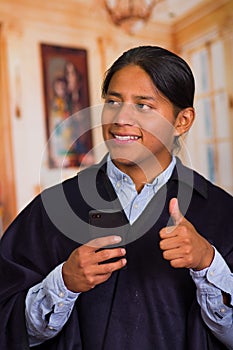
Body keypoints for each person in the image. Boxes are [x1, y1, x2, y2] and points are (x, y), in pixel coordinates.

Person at [0, 46, 233, 350]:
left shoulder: (222, 213)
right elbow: (8, 327)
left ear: (182, 121)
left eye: (143, 105)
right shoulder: (54, 208)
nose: (121, 118)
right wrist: (63, 283)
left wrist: (208, 263)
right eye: (112, 101)